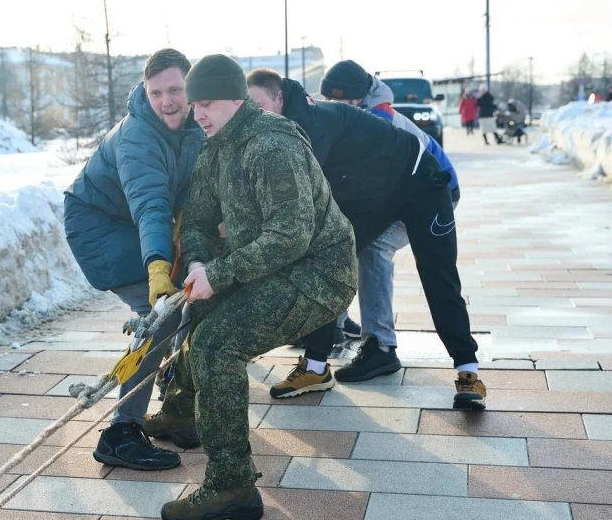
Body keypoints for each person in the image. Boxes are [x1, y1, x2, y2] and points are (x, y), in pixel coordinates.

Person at [152, 55, 357, 520]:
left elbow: (292, 234)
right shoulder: (215, 144)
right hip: (272, 265)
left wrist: (220, 275)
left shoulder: (270, 145)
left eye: (206, 103)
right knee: (201, 313)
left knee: (216, 346)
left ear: (235, 99)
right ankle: (184, 412)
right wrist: (201, 262)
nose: (196, 113)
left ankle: (233, 489)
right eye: (194, 104)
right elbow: (200, 218)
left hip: (319, 275)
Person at [247, 68, 477, 397]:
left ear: (279, 98)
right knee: (327, 259)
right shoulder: (280, 129)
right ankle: (315, 368)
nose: (254, 114)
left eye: (259, 105)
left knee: (437, 274)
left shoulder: (311, 127)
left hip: (422, 185)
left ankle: (468, 372)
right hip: (371, 196)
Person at [63, 48, 204, 471]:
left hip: (137, 226)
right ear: (145, 91)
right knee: (158, 315)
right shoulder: (138, 136)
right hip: (100, 226)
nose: (167, 101)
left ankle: (176, 408)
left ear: (190, 88)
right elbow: (151, 205)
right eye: (156, 91)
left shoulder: (194, 128)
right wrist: (158, 267)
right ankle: (121, 432)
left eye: (175, 89)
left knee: (192, 304)